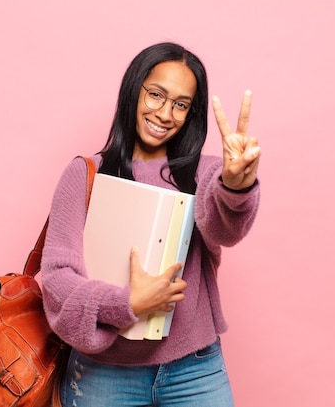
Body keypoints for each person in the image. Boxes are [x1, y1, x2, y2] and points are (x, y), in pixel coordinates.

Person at [41, 42, 261, 407]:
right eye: (156, 95)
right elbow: (57, 279)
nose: (165, 113)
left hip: (195, 371)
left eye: (181, 104)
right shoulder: (85, 174)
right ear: (134, 90)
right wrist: (126, 302)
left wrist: (235, 186)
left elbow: (225, 228)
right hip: (103, 374)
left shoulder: (206, 174)